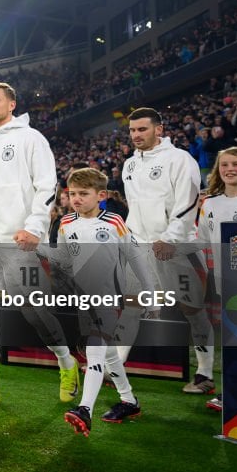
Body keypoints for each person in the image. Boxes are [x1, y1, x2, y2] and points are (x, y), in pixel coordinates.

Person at [0, 81, 78, 408]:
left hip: (20, 240)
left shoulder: (30, 138)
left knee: (34, 310)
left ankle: (66, 362)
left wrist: (34, 226)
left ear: (11, 104)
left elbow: (46, 187)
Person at [40, 169, 156, 436]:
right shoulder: (66, 223)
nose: (76, 199)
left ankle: (84, 410)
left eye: (84, 194)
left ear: (101, 195)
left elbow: (136, 259)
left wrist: (150, 294)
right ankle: (129, 401)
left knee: (94, 351)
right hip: (84, 300)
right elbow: (65, 261)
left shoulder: (114, 221)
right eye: (72, 194)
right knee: (108, 353)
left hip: (110, 299)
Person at [118, 108, 211, 393]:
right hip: (142, 247)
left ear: (159, 129)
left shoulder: (180, 159)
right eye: (132, 131)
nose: (136, 135)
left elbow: (188, 202)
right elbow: (134, 207)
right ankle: (115, 366)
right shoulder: (129, 165)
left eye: (142, 129)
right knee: (133, 305)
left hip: (176, 247)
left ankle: (205, 374)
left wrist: (170, 238)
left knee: (191, 309)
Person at [181, 146, 237, 413]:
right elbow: (200, 241)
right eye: (224, 165)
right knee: (235, 340)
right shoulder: (210, 203)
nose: (230, 169)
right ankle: (232, 393)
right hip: (226, 283)